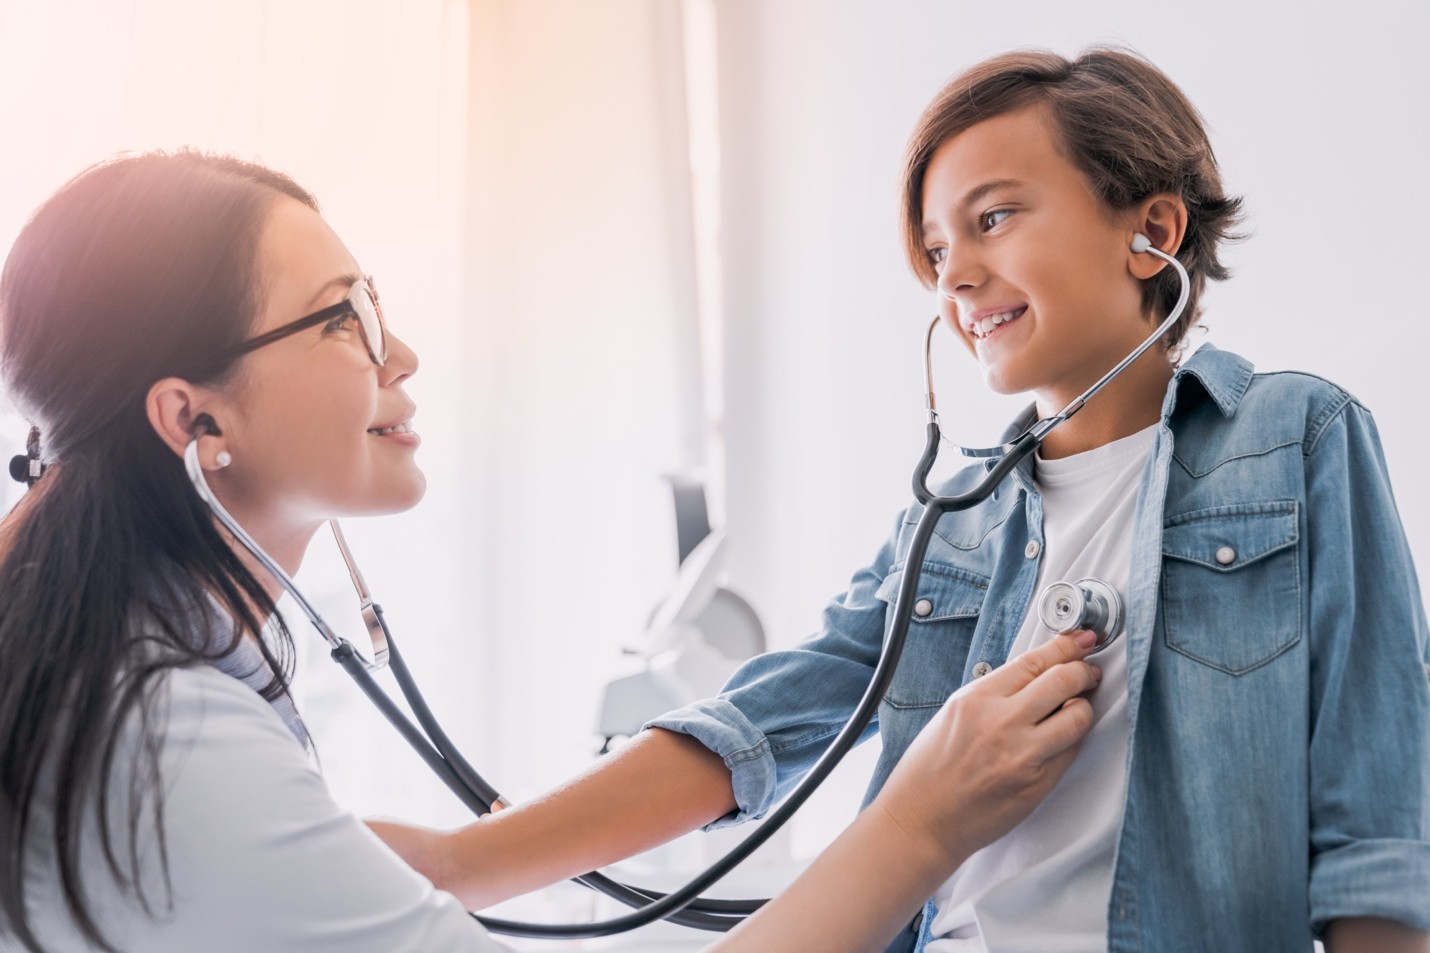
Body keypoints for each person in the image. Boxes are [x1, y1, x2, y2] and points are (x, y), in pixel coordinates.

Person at [369, 48, 1430, 952]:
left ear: (1149, 230)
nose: (954, 276)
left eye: (993, 217)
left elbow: (1376, 825)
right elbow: (758, 723)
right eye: (933, 248)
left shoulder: (1293, 438)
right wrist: (465, 863)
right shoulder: (952, 522)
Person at [0, 150, 1105, 953]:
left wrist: (464, 861)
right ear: (194, 421)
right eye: (345, 320)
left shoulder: (130, 685)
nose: (405, 354)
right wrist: (919, 823)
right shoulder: (161, 744)